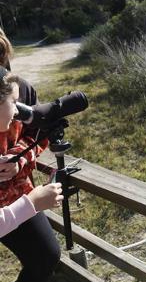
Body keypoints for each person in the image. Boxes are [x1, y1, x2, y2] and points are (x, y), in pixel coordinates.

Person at [0, 72, 60, 282]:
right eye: (14, 103)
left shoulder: (14, 107)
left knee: (46, 256)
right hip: (20, 204)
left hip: (16, 196)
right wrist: (32, 202)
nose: (18, 110)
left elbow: (38, 134)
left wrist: (19, 158)